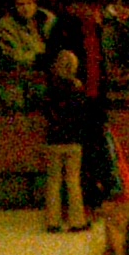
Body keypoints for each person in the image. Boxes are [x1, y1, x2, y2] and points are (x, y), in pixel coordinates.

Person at [42, 50, 89, 231]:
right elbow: (82, 113)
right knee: (73, 181)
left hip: (54, 138)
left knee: (53, 181)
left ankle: (52, 221)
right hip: (73, 138)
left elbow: (46, 111)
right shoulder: (77, 87)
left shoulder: (51, 87)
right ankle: (76, 221)